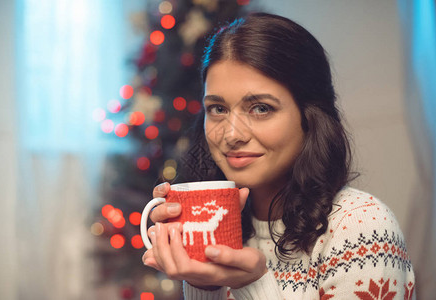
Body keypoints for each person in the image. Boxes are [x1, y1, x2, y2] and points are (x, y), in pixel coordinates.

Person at [142, 12, 415, 299]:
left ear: (310, 117)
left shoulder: (361, 226)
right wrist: (204, 282)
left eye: (261, 108)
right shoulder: (221, 228)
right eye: (218, 109)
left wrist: (253, 284)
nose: (232, 134)